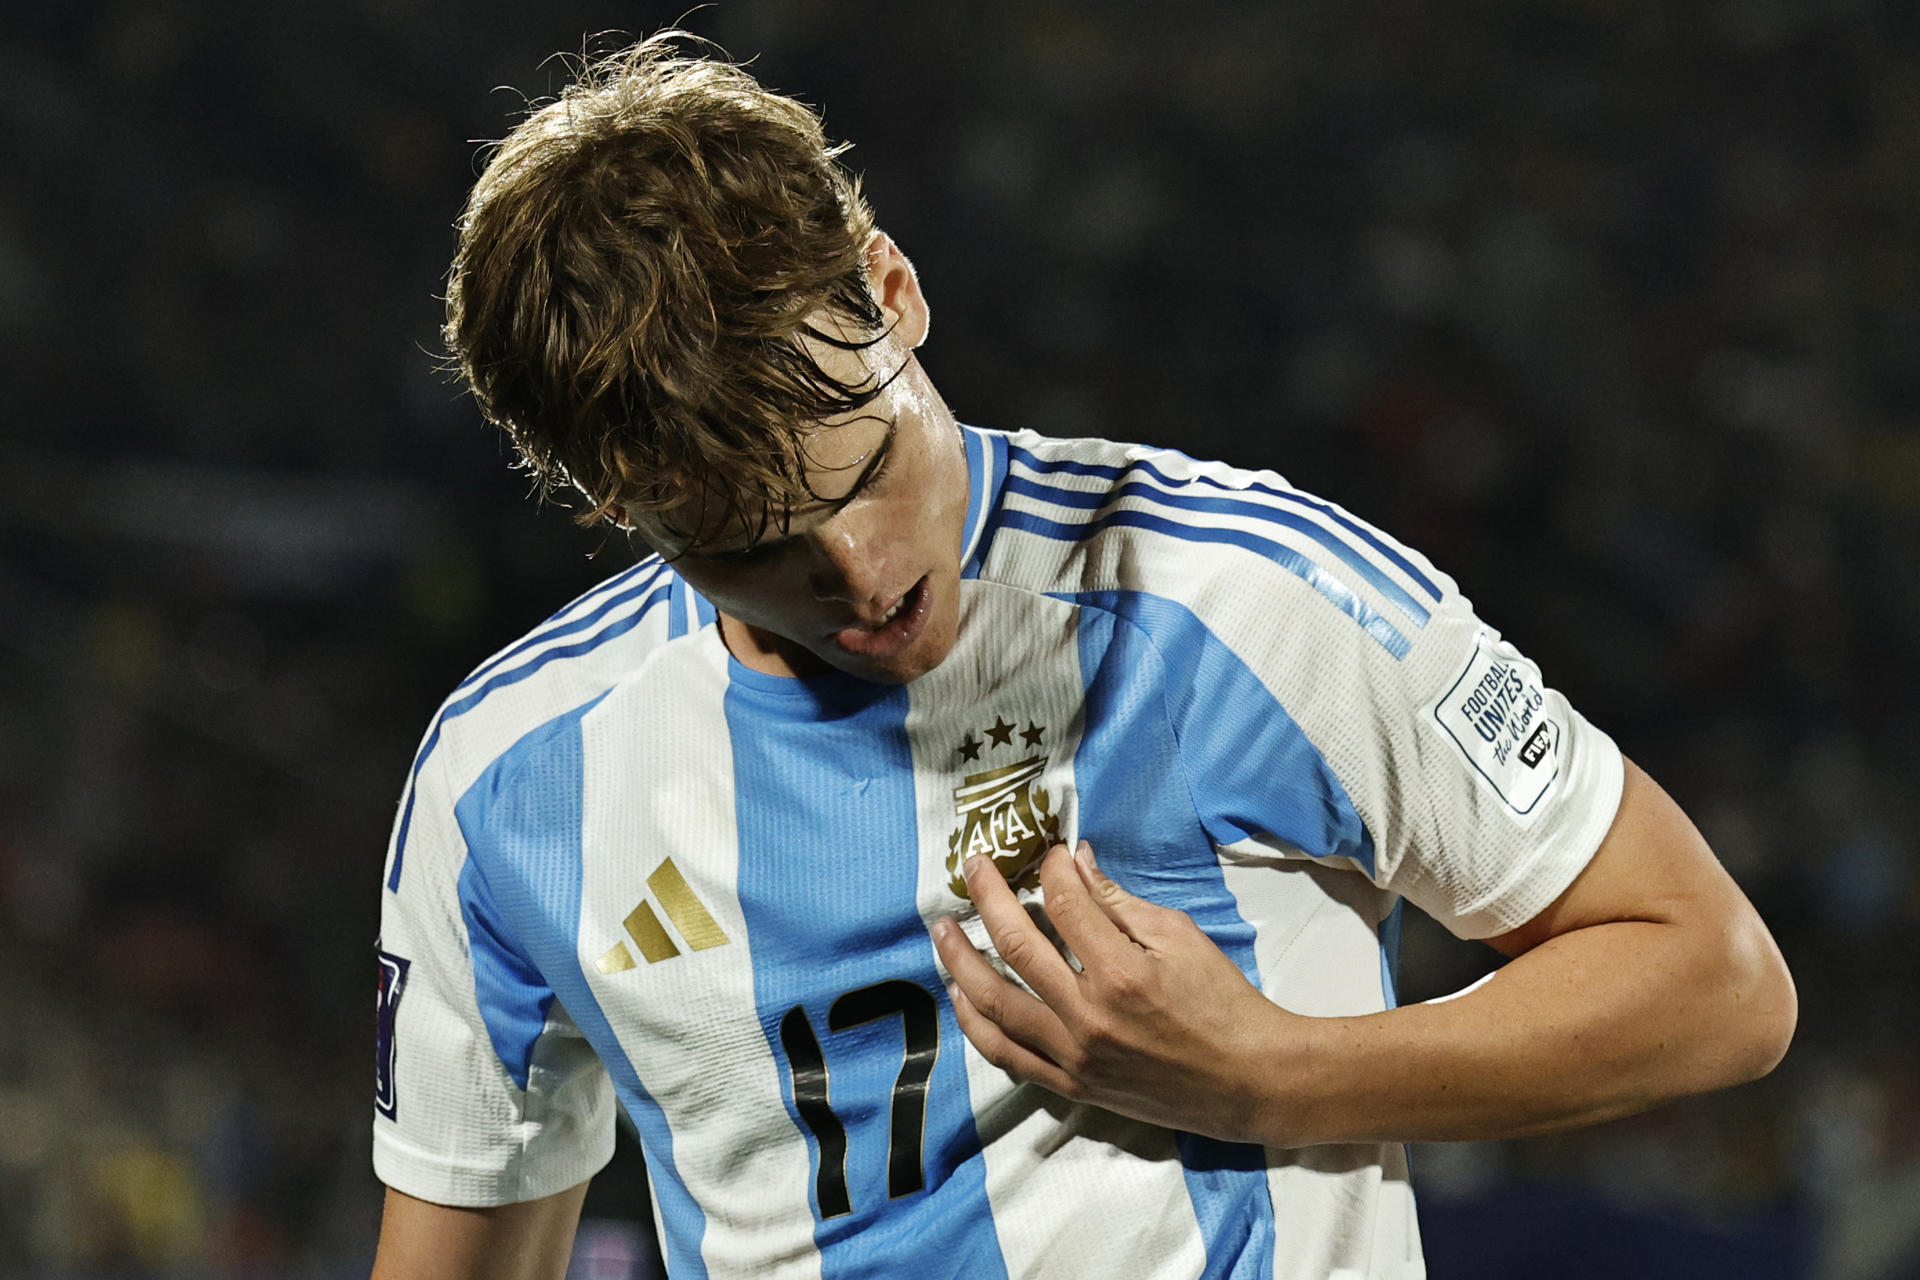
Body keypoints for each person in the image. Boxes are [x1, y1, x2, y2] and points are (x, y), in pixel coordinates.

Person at [369, 33, 1796, 1280]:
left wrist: (1272, 1074)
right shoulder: (505, 787)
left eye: (869, 468)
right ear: (615, 500)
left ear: (893, 291)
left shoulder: (1236, 595)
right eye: (753, 546)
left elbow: (1717, 979)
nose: (864, 575)